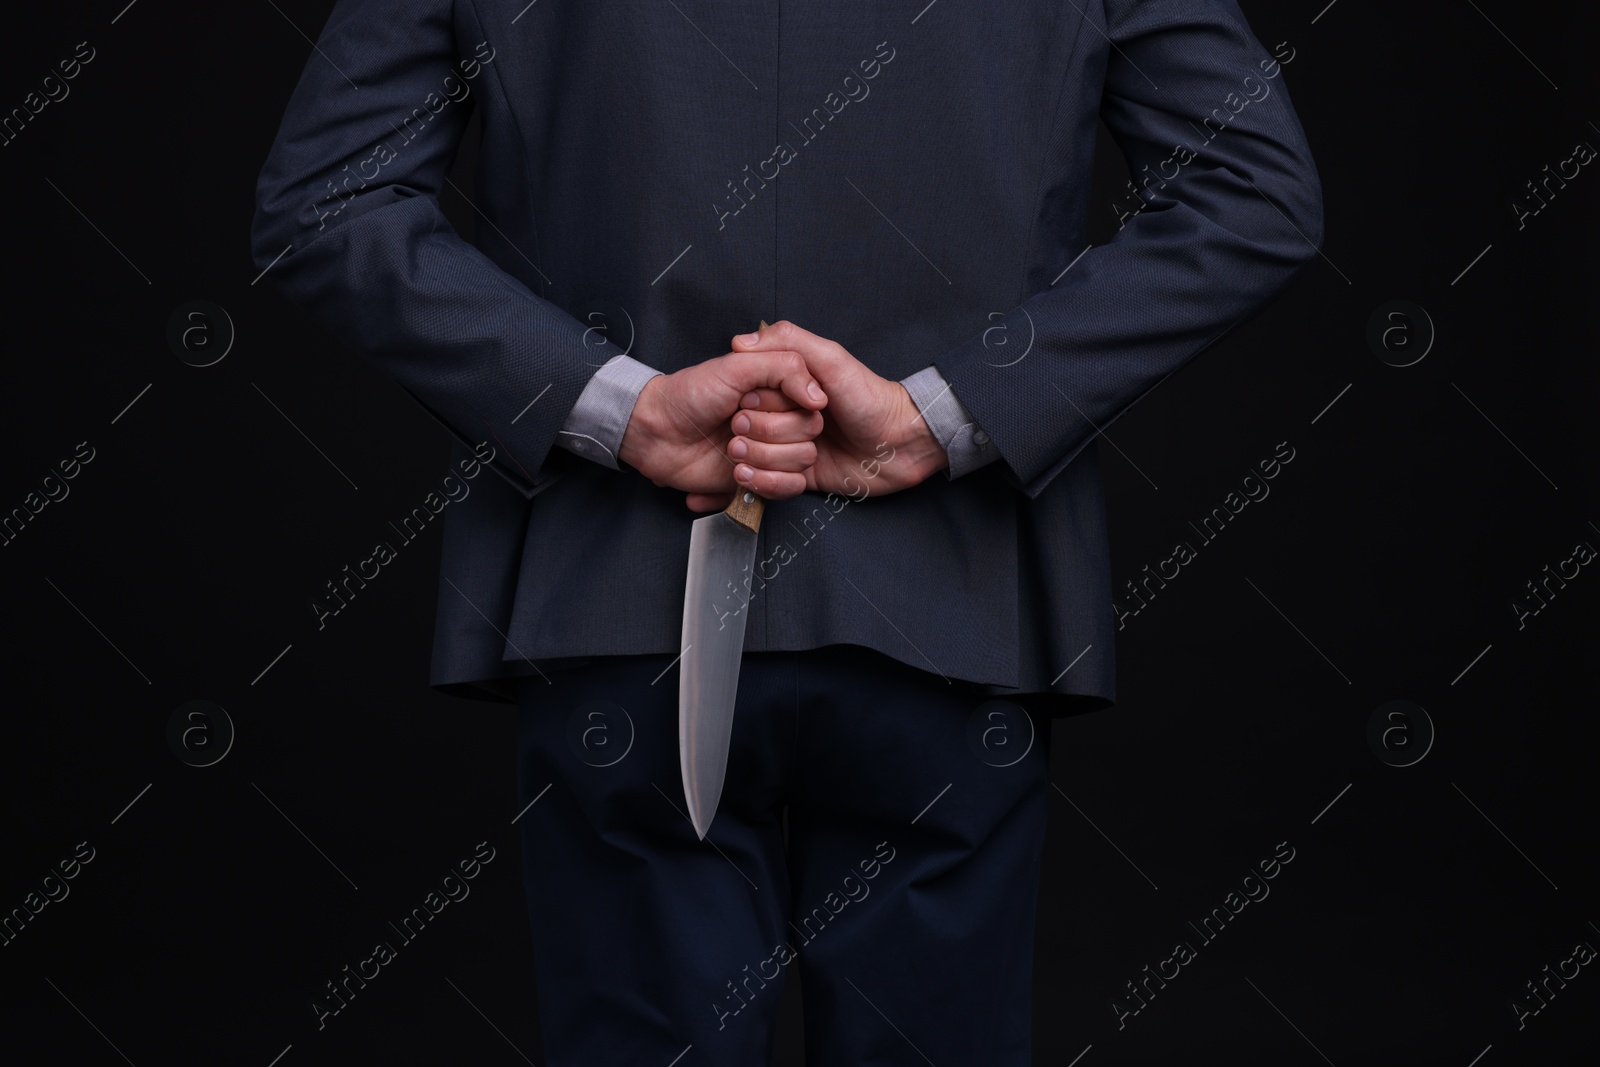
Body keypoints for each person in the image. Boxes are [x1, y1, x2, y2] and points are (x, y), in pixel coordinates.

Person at [250, 1, 1321, 1062]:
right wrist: (942, 415)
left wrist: (619, 406)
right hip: (958, 601)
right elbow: (1252, 194)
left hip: (616, 596)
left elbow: (327, 196)